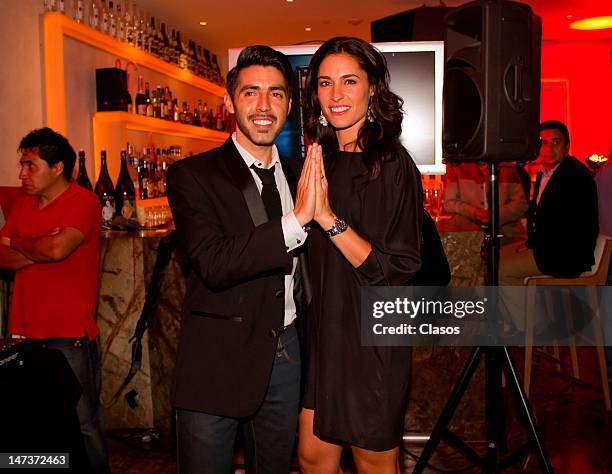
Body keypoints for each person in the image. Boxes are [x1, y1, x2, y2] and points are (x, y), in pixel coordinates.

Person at [166, 45, 315, 474]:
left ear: (289, 102)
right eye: (251, 93)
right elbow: (213, 261)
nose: (264, 106)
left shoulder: (300, 173)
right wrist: (297, 220)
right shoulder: (193, 175)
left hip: (285, 351)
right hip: (217, 359)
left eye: (276, 93)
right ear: (229, 102)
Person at [298, 37, 423, 473]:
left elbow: (397, 269)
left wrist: (328, 219)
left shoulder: (391, 163)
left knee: (373, 464)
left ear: (372, 88)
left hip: (371, 341)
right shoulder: (321, 158)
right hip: (324, 334)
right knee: (313, 458)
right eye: (325, 83)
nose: (335, 95)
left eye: (349, 81)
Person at [0, 127, 109, 473]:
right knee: (35, 424)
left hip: (70, 334)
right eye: (22, 165)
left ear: (58, 167)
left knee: (84, 422)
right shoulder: (21, 204)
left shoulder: (84, 201)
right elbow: (3, 257)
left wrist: (20, 242)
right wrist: (40, 246)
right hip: (25, 331)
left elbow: (59, 248)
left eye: (31, 165)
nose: (22, 174)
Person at [500, 120, 599, 286]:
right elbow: (542, 218)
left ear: (567, 146)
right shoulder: (547, 172)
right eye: (543, 143)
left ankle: (522, 313)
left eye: (556, 142)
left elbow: (566, 226)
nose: (549, 149)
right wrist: (532, 243)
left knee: (501, 270)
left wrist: (535, 246)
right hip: (550, 249)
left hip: (566, 255)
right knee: (496, 256)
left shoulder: (576, 176)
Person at [443, 162, 528, 244]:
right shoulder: (456, 164)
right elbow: (449, 203)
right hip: (470, 239)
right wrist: (474, 212)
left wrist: (496, 215)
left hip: (509, 238)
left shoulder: (506, 165)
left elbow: (521, 204)